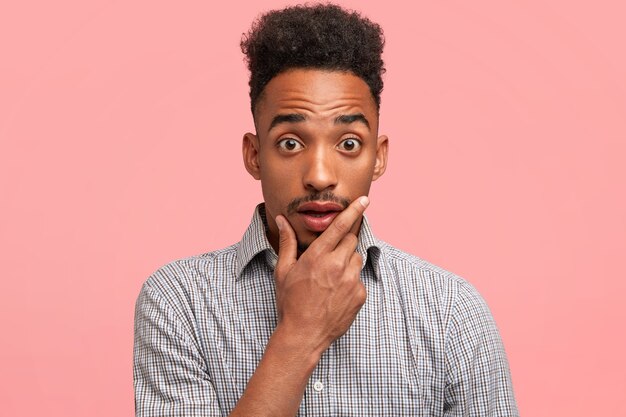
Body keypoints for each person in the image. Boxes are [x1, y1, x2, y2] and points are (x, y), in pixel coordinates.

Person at [133, 3, 519, 416]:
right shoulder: (179, 303)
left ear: (378, 157)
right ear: (254, 155)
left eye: (348, 143)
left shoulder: (451, 311)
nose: (319, 176)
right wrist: (300, 334)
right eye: (290, 143)